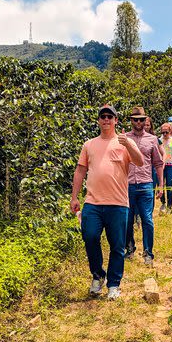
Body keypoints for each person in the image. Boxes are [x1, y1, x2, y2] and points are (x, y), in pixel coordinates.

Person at [71, 105, 144, 300]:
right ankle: (97, 275)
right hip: (92, 203)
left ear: (116, 120)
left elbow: (139, 162)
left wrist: (128, 144)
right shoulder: (89, 144)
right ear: (98, 120)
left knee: (117, 246)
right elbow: (80, 171)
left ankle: (114, 284)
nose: (106, 120)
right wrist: (74, 196)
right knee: (90, 236)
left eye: (109, 117)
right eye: (102, 116)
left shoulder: (124, 142)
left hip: (118, 203)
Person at [124, 107, 164, 268]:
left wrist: (161, 185)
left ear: (145, 120)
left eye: (141, 119)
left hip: (146, 184)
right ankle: (129, 248)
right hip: (127, 185)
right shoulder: (124, 138)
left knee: (147, 219)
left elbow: (158, 163)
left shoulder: (152, 139)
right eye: (135, 119)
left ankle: (148, 252)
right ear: (131, 120)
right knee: (127, 220)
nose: (139, 122)